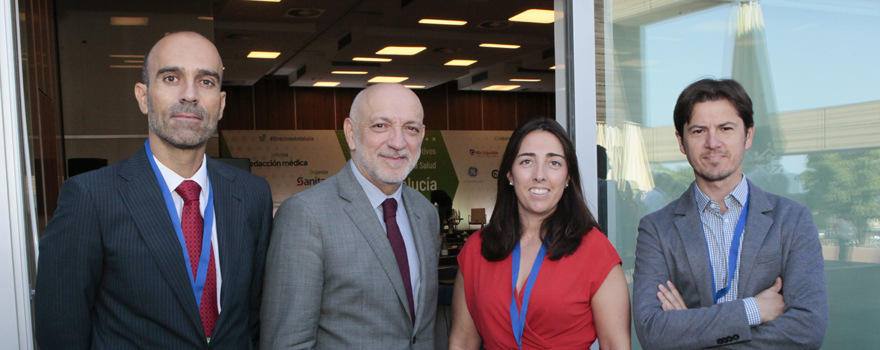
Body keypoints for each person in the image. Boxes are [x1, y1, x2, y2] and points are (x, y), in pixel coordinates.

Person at [34, 31, 273, 349]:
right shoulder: (90, 197)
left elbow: (254, 314)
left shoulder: (252, 193)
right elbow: (61, 332)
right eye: (172, 78)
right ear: (143, 97)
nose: (190, 95)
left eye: (206, 81)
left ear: (221, 103)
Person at [632, 78, 828, 349]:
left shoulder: (792, 220)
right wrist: (753, 310)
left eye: (726, 128)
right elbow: (653, 332)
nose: (713, 143)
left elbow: (807, 330)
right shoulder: (656, 229)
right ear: (681, 141)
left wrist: (689, 330)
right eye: (699, 131)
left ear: (747, 135)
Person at [261, 83, 440, 349]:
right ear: (351, 133)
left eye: (411, 128)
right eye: (381, 125)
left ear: (422, 135)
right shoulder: (306, 215)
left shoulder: (426, 213)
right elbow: (288, 342)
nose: (398, 142)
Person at [448, 117, 631, 350]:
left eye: (554, 163)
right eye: (526, 161)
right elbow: (462, 342)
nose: (540, 175)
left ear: (567, 177)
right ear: (509, 174)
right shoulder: (476, 249)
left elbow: (616, 345)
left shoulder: (595, 250)